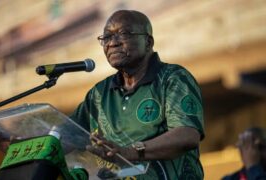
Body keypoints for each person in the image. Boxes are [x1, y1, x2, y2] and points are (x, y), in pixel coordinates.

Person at [70, 10, 204, 179]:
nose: (112, 43)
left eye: (123, 33)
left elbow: (187, 135)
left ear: (148, 42)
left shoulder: (172, 78)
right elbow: (67, 134)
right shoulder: (98, 94)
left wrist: (129, 152)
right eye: (106, 37)